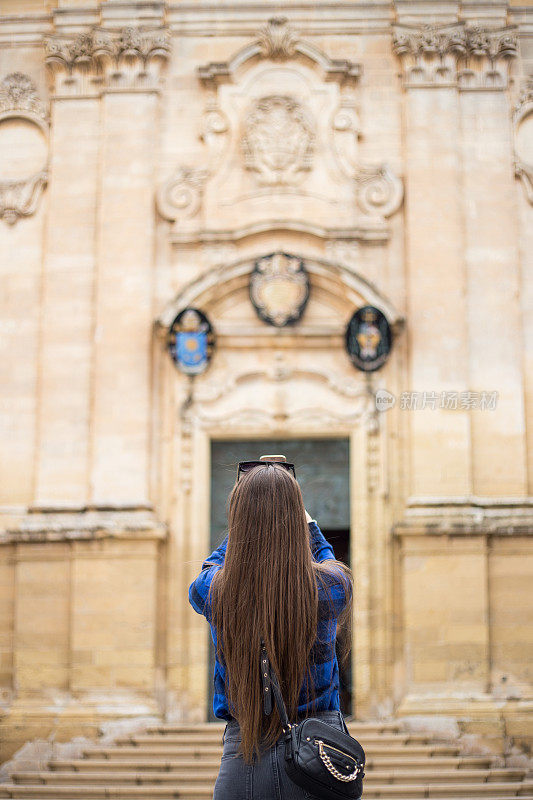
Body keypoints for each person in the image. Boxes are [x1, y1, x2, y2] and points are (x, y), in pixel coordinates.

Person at [188, 461, 354, 799]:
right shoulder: (329, 587)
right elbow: (329, 564)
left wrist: (244, 523)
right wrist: (310, 528)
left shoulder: (215, 590)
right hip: (321, 753)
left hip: (243, 754)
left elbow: (210, 567)